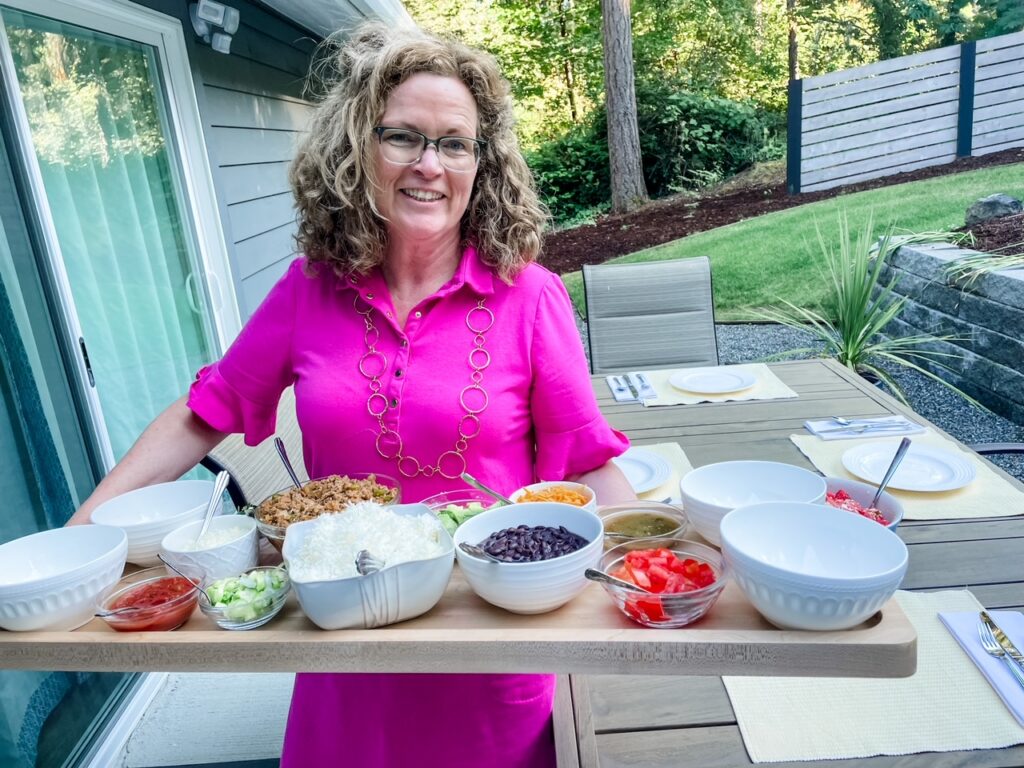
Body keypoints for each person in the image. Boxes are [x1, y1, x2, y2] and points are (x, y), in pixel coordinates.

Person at [70, 21, 634, 767]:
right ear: (357, 150)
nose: (429, 165)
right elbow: (201, 415)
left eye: (455, 143)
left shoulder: (529, 296)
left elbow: (589, 466)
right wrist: (84, 532)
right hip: (345, 645)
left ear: (482, 164)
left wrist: (647, 579)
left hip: (486, 649)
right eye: (403, 136)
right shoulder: (309, 292)